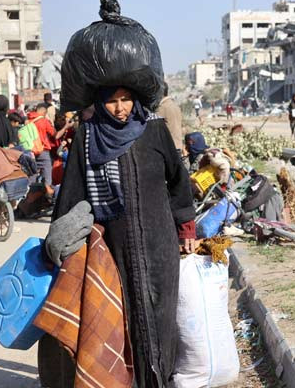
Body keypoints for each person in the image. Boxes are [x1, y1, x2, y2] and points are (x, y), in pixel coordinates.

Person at [39, 86, 197, 388]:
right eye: (112, 101)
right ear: (100, 103)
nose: (120, 108)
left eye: (125, 99)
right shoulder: (87, 136)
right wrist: (61, 241)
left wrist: (186, 226)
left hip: (159, 243)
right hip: (111, 247)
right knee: (120, 317)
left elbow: (178, 179)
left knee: (161, 315)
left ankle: (160, 380)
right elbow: (72, 192)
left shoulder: (154, 130)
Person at [31, 103, 71, 186]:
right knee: (47, 177)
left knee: (32, 175)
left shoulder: (28, 120)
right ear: (45, 112)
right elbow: (56, 136)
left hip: (30, 151)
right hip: (42, 151)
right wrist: (66, 127)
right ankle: (47, 190)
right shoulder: (44, 121)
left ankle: (31, 190)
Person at [155, 83, 184, 152]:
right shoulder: (174, 105)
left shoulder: (162, 108)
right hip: (177, 145)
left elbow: (155, 130)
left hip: (168, 148)